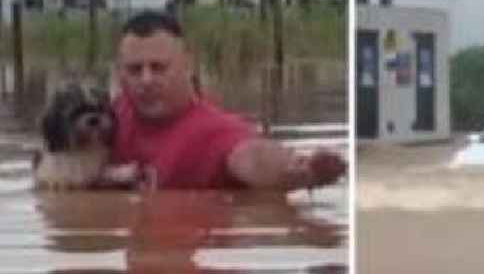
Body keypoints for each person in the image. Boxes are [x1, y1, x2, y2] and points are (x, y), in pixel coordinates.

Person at [110, 11, 345, 191]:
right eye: (135, 70)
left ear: (188, 66)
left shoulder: (214, 131)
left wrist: (302, 171)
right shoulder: (106, 118)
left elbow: (251, 156)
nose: (146, 80)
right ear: (120, 73)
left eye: (158, 68)